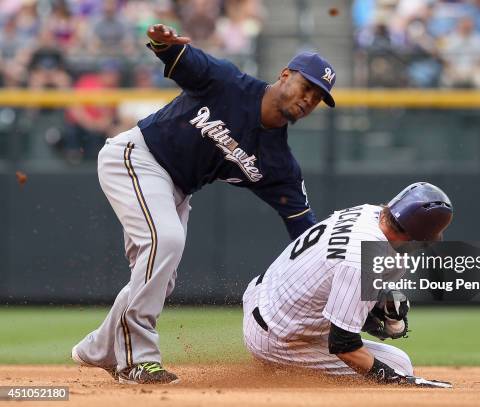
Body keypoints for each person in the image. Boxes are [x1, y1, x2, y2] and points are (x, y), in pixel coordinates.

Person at [71, 23, 337, 384]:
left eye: (318, 96)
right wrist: (162, 43)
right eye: (307, 86)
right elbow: (182, 58)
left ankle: (99, 348)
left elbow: (305, 229)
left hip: (175, 189)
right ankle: (138, 359)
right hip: (136, 157)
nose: (309, 99)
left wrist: (337, 271)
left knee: (159, 276)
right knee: (165, 241)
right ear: (285, 75)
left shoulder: (279, 165)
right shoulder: (227, 83)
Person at [242, 182, 453, 387]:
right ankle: (288, 373)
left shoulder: (368, 212)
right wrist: (398, 380)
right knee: (399, 364)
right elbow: (343, 344)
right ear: (416, 236)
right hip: (277, 338)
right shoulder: (364, 260)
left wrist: (379, 308)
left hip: (263, 296)